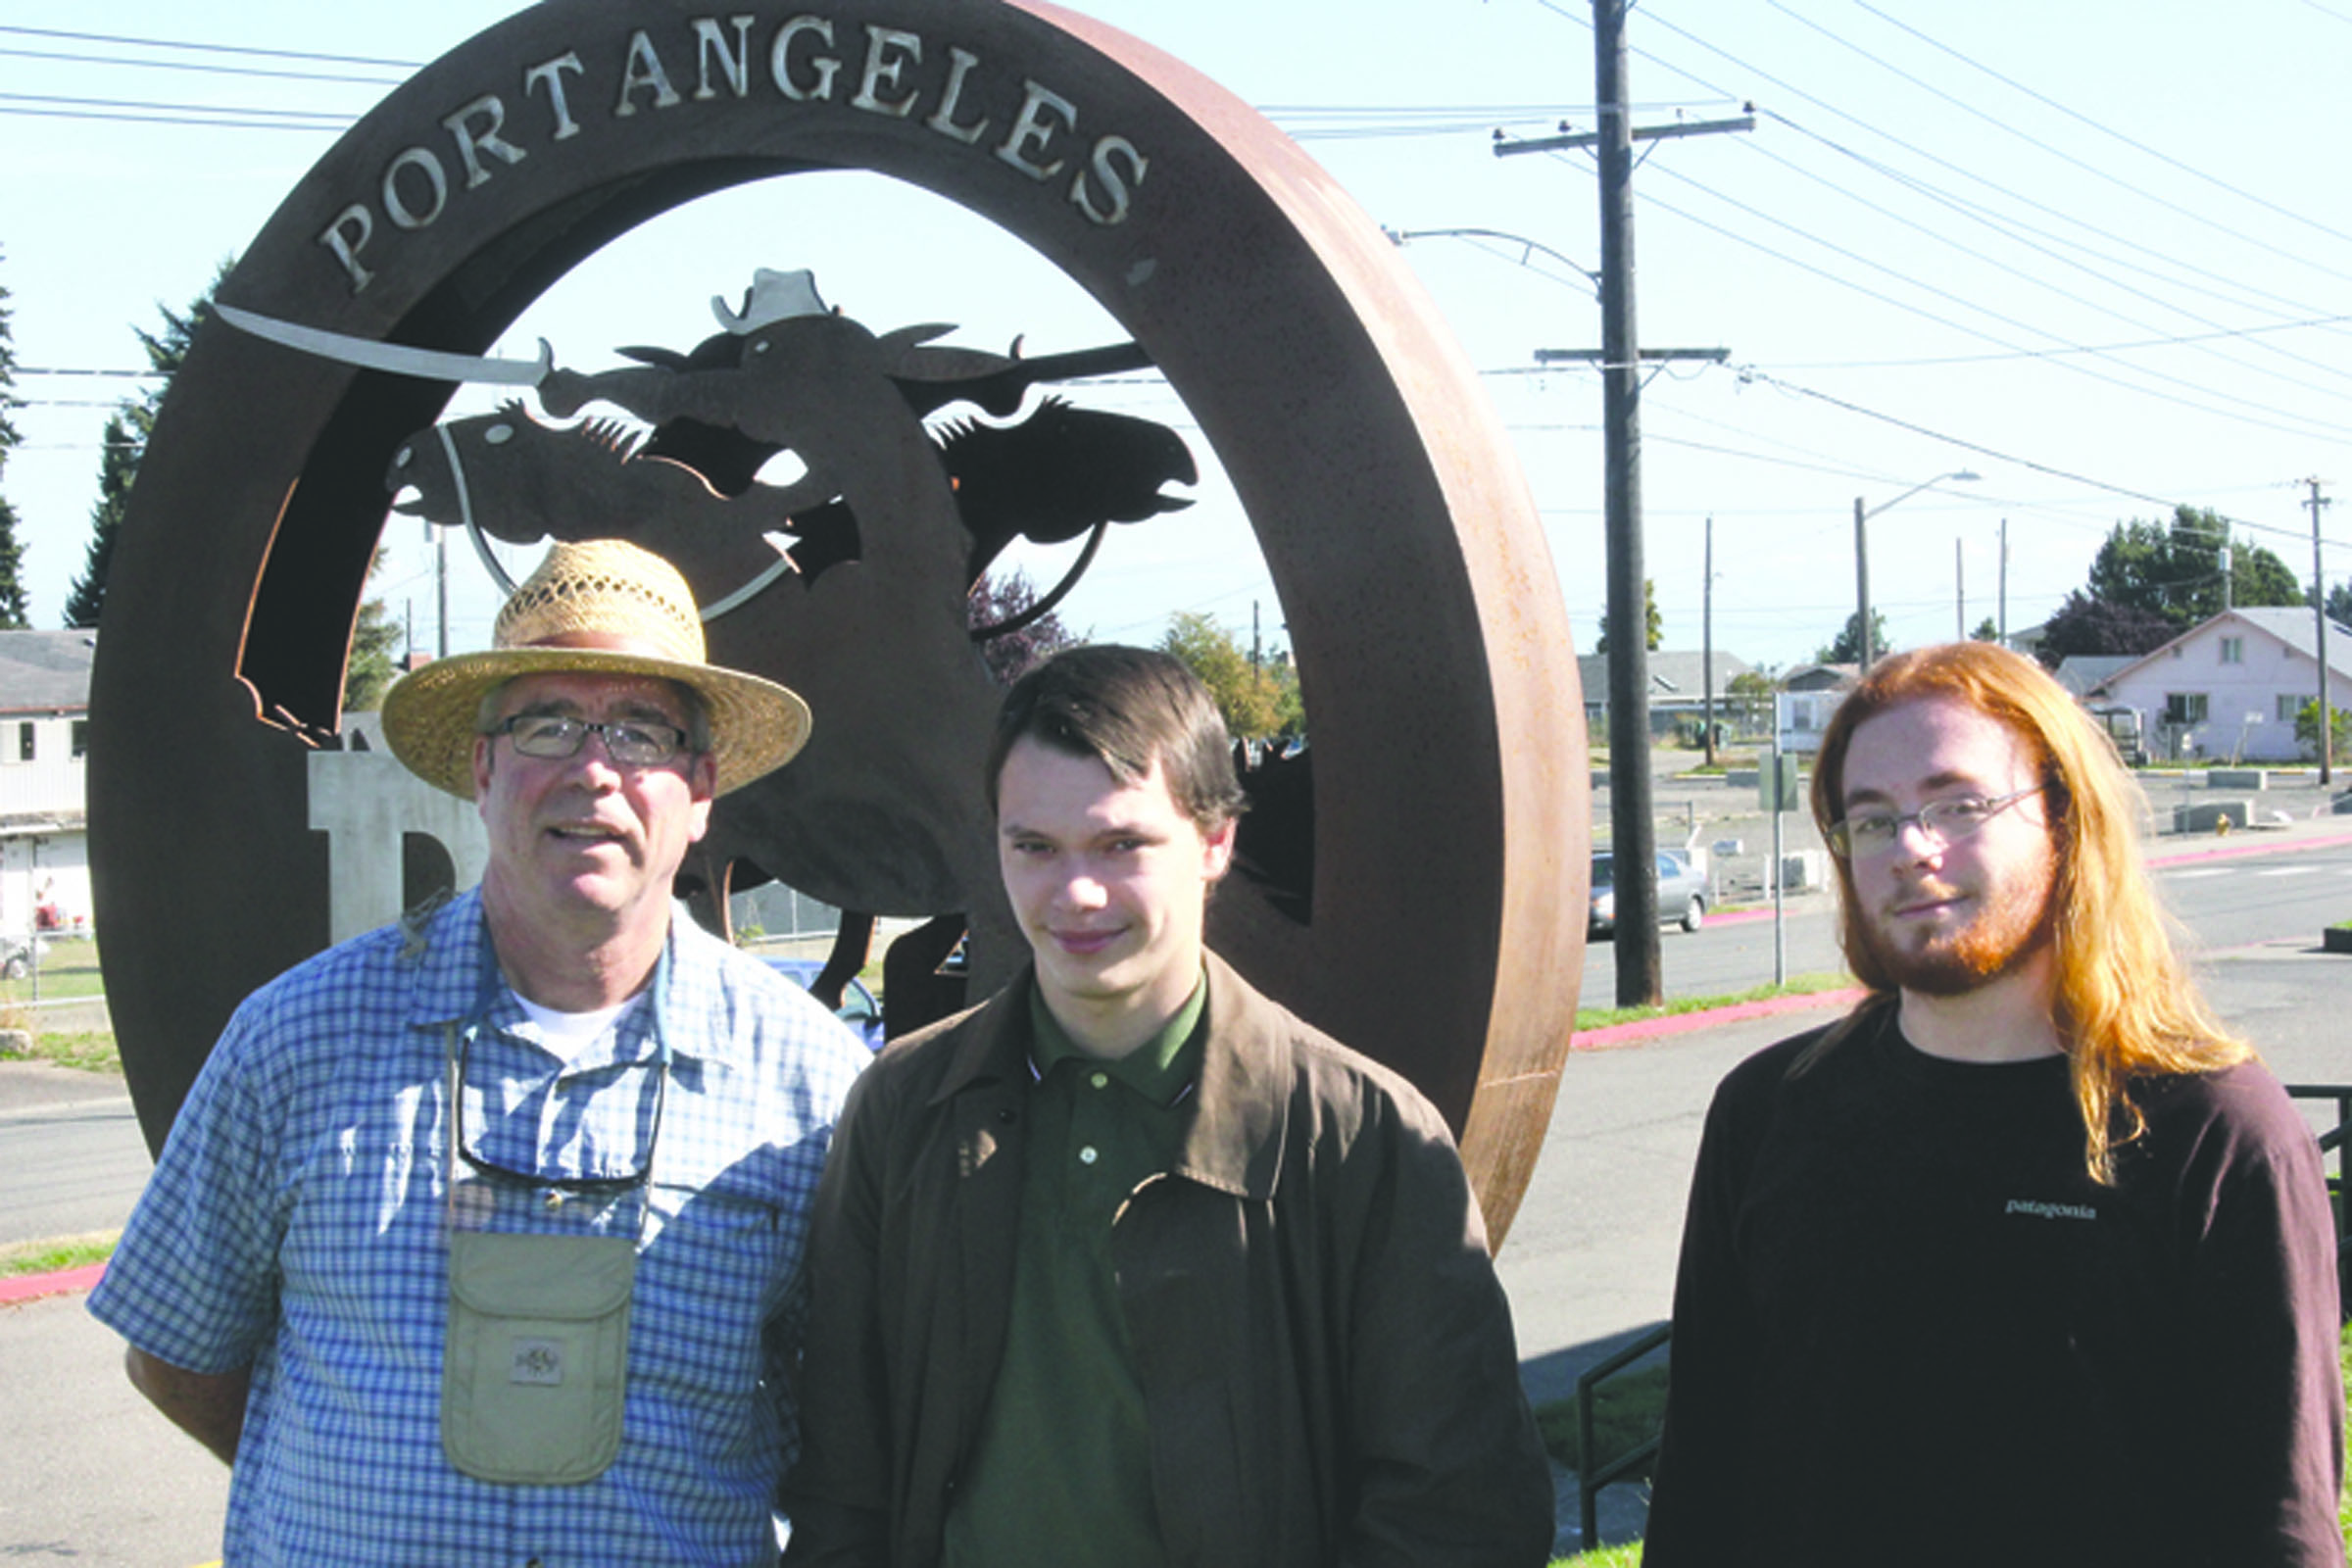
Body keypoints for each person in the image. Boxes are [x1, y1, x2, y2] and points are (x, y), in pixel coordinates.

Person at [89, 539, 872, 1566]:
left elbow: (856, 1429)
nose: (594, 770)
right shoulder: (296, 1040)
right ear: (483, 766)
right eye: (547, 723)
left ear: (702, 787)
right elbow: (179, 1357)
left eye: (641, 731)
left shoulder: (814, 1087)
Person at [780, 645, 1553, 1567]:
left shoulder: (1362, 1139)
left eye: (1122, 845)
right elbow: (841, 1486)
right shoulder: (901, 1112)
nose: (1075, 893)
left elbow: (1455, 1514)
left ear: (1215, 841)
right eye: (1034, 846)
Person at [1644, 642, 2345, 1566]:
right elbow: (1701, 1476)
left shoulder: (2212, 1133)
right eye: (1873, 818)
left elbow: (2275, 1528)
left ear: (2061, 817)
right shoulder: (1768, 1111)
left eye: (1958, 805)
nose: (1911, 849)